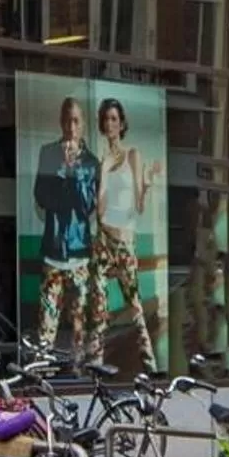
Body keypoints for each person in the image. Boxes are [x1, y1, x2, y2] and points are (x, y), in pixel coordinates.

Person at [85, 99, 158, 363]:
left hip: (125, 239)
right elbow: (100, 210)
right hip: (103, 238)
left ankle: (150, 360)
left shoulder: (133, 155)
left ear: (122, 123)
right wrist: (104, 170)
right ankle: (96, 362)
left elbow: (138, 206)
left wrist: (148, 184)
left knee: (134, 304)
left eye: (114, 118)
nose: (110, 124)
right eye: (106, 119)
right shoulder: (101, 162)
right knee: (99, 305)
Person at [33, 98, 100, 351]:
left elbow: (86, 206)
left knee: (79, 323)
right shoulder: (48, 153)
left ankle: (78, 371)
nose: (71, 127)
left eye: (76, 121)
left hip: (79, 253)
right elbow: (41, 196)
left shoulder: (92, 162)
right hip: (52, 252)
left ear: (82, 125)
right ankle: (43, 369)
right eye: (67, 120)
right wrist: (62, 169)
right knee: (46, 325)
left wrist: (75, 172)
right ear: (61, 122)